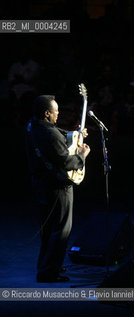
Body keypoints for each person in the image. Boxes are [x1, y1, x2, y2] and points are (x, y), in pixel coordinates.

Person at [25, 95, 90, 282]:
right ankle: (49, 273)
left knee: (48, 228)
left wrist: (75, 134)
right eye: (56, 111)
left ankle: (45, 265)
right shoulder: (50, 135)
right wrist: (83, 155)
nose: (58, 114)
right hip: (58, 186)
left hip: (41, 184)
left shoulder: (32, 126)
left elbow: (53, 134)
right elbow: (66, 161)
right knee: (61, 230)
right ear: (47, 113)